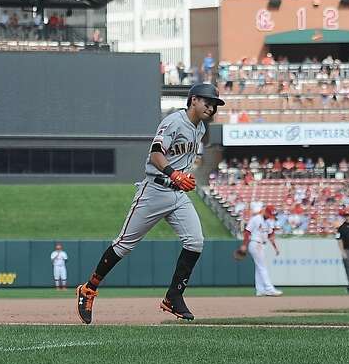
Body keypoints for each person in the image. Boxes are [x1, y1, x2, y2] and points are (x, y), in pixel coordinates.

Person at [75, 82, 223, 324]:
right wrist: (175, 174)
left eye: (215, 104)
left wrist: (184, 176)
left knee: (195, 242)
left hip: (177, 194)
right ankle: (89, 289)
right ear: (193, 99)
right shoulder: (174, 121)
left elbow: (180, 159)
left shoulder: (200, 128)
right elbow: (155, 155)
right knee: (123, 245)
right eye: (207, 101)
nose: (211, 107)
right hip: (154, 190)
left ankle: (173, 297)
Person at [241, 204, 282, 296]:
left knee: (259, 267)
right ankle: (269, 288)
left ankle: (260, 290)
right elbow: (247, 232)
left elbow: (270, 235)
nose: (270, 216)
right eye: (269, 214)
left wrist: (275, 248)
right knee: (263, 267)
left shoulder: (269, 222)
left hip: (262, 244)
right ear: (265, 211)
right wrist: (244, 245)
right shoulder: (256, 219)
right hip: (255, 243)